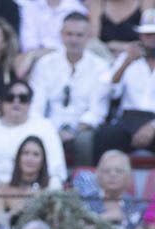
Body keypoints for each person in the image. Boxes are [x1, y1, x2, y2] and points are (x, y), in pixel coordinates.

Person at [27, 12, 108, 167]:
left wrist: (74, 131)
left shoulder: (100, 67)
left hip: (82, 127)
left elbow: (97, 111)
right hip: (50, 124)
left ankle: (83, 186)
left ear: (88, 37)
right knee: (37, 135)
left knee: (84, 141)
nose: (74, 40)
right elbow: (37, 106)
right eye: (69, 34)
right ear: (61, 35)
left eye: (79, 35)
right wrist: (50, 129)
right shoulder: (45, 64)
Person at [0, 78, 67, 185]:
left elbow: (56, 168)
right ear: (2, 102)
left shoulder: (45, 126)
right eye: (10, 98)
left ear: (30, 103)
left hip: (34, 190)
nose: (16, 102)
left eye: (23, 98)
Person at [92, 10, 155, 160]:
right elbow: (111, 92)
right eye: (148, 35)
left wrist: (152, 127)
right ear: (140, 36)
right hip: (128, 118)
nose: (152, 39)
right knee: (104, 137)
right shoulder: (127, 58)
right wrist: (126, 63)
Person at [73, 150, 146, 229]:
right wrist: (105, 218)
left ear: (128, 176)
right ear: (99, 176)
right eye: (107, 171)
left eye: (119, 171)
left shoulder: (137, 205)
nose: (112, 175)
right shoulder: (85, 201)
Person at [0, 135, 49, 229]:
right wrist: (14, 213)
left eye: (36, 154)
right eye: (25, 153)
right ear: (18, 157)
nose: (30, 159)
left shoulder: (49, 190)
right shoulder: (2, 188)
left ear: (43, 161)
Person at [18, 0, 88, 68]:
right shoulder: (30, 7)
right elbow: (28, 44)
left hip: (67, 57)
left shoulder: (77, 8)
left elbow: (75, 41)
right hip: (36, 59)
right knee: (21, 63)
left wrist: (45, 52)